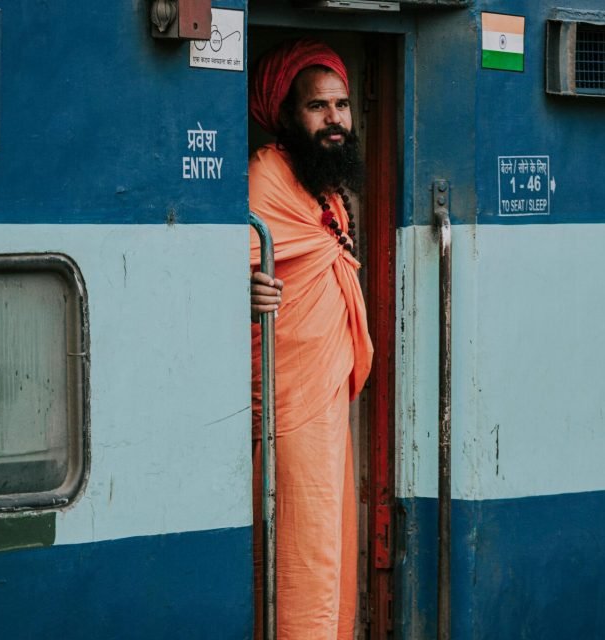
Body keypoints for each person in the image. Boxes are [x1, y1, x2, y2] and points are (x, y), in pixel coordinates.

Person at [248, 38, 374, 640]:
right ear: (286, 115)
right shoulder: (267, 175)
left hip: (326, 405)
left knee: (332, 547)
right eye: (317, 107)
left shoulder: (326, 189)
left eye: (342, 105)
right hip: (290, 403)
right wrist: (245, 293)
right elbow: (218, 272)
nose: (334, 120)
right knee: (303, 550)